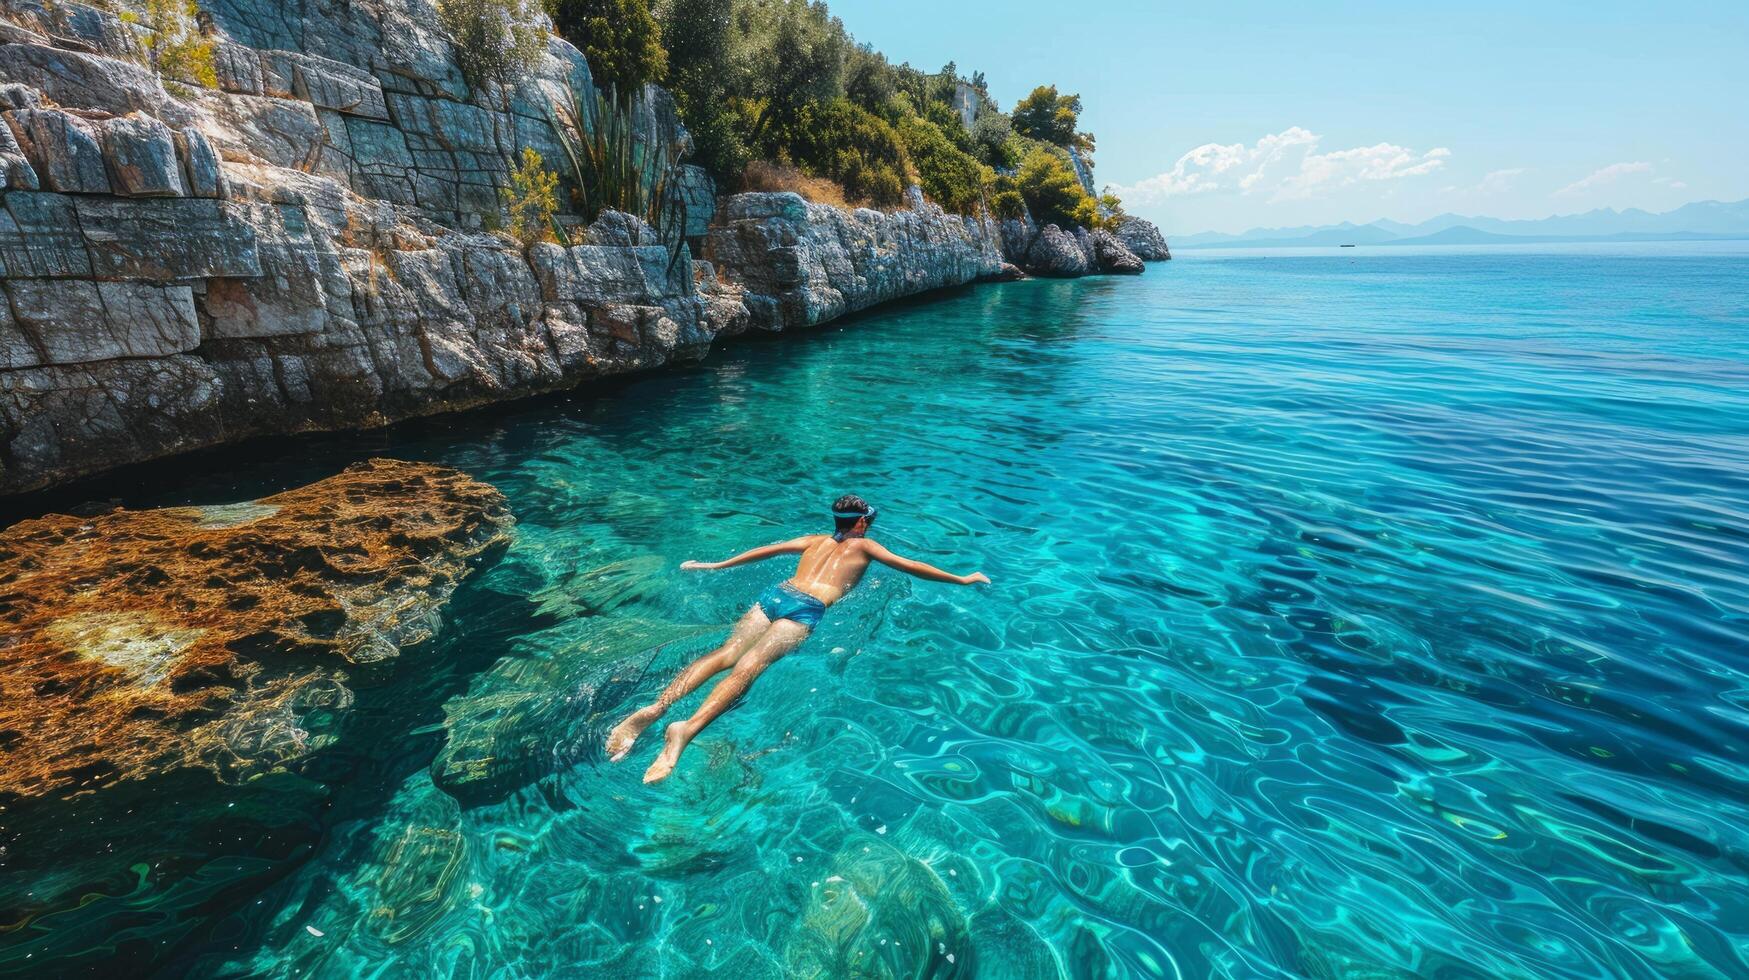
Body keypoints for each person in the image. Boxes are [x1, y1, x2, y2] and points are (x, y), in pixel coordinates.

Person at [608, 494, 990, 783]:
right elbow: (914, 566)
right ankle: (685, 729)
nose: (869, 528)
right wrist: (962, 578)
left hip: (776, 594)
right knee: (748, 670)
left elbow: (765, 550)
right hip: (804, 608)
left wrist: (716, 564)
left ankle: (657, 708)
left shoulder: (814, 540)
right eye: (867, 523)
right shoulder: (866, 546)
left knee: (726, 653)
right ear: (859, 525)